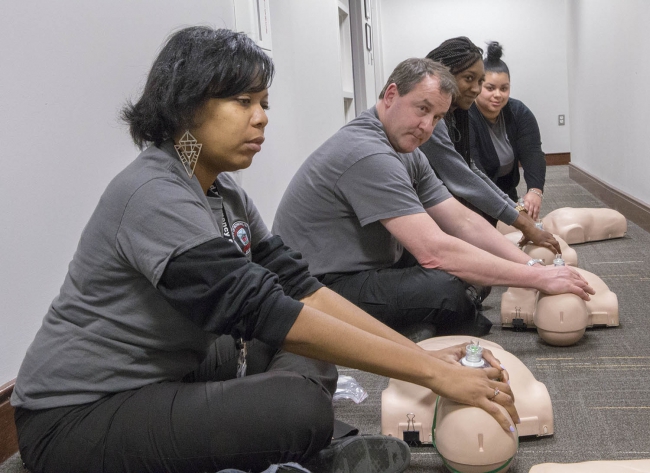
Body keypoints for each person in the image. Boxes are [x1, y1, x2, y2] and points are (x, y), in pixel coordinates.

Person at [11, 27, 522, 473]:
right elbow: (261, 309)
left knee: (309, 351)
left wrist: (414, 354)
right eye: (243, 102)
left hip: (169, 368)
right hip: (76, 415)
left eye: (264, 104)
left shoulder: (222, 188)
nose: (261, 119)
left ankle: (279, 451)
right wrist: (435, 373)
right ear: (187, 105)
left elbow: (302, 290)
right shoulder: (153, 192)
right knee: (297, 405)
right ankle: (299, 453)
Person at [273, 57, 593, 343]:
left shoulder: (405, 147)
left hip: (371, 265)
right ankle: (411, 325)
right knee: (449, 293)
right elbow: (434, 252)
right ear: (391, 95)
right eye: (422, 109)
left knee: (471, 272)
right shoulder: (368, 152)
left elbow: (461, 220)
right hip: (317, 289)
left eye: (437, 117)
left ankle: (417, 322)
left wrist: (532, 266)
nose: (427, 126)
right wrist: (539, 278)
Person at [421, 37, 558, 252]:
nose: (476, 89)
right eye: (470, 79)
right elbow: (462, 178)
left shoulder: (464, 114)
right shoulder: (434, 118)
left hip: (467, 197)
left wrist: (523, 202)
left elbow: (470, 170)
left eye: (504, 88)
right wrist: (520, 221)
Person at [469, 41, 546, 221]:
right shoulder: (466, 117)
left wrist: (535, 191)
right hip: (474, 201)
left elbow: (533, 153)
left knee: (533, 227)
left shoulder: (519, 112)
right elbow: (474, 171)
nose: (498, 94)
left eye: (504, 88)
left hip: (507, 195)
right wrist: (512, 213)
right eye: (490, 88)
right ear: (479, 85)